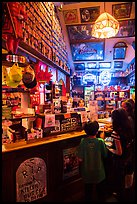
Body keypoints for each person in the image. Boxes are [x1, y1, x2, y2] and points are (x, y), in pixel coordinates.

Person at [105, 108, 135, 201]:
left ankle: (120, 196)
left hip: (120, 160)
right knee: (128, 179)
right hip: (129, 156)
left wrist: (109, 148)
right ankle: (128, 193)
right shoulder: (129, 127)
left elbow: (119, 152)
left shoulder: (116, 133)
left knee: (119, 179)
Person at [76, 121, 108, 202]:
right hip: (99, 172)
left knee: (88, 192)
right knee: (101, 193)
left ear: (86, 131)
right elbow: (105, 155)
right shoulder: (100, 141)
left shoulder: (83, 142)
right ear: (97, 131)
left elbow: (80, 159)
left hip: (87, 173)